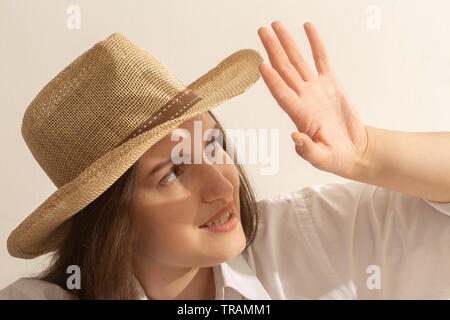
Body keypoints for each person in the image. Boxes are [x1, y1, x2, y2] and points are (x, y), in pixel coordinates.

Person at [1, 21, 450, 300]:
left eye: (213, 144)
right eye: (173, 171)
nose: (220, 184)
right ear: (112, 217)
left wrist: (367, 152)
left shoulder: (298, 236)